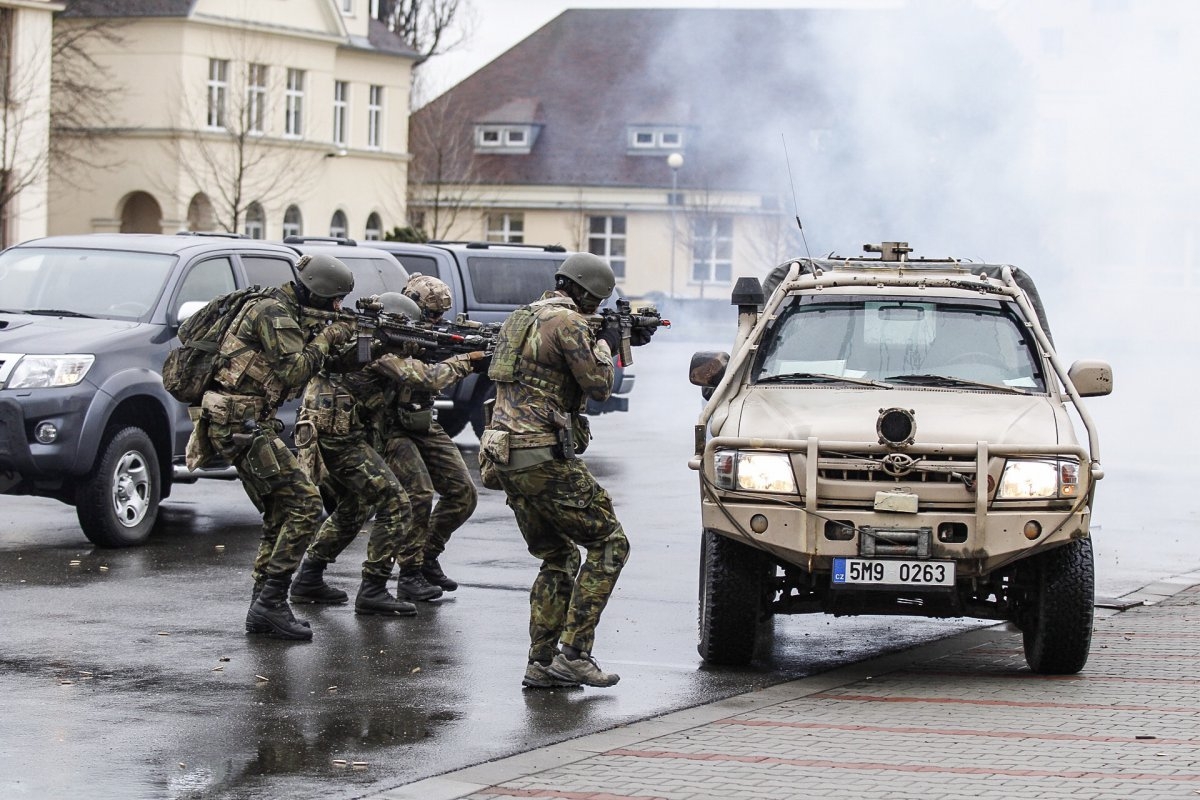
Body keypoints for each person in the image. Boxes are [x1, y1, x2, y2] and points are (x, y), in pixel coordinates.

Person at [481, 252, 654, 689]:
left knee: (557, 556)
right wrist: (608, 346)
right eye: (595, 301)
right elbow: (598, 387)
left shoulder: (521, 317)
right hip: (542, 456)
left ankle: (540, 663)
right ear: (583, 292)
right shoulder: (571, 324)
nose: (595, 309)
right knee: (611, 544)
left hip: (505, 456)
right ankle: (575, 654)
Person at [290, 291, 490, 610]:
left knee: (354, 507)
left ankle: (309, 576)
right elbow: (426, 377)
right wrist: (470, 359)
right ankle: (373, 587)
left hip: (345, 433)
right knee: (396, 500)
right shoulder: (373, 348)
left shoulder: (371, 342)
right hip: (339, 436)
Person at [193, 253, 356, 641]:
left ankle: (263, 605)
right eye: (334, 301)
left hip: (244, 421)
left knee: (280, 510)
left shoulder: (284, 308)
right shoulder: (274, 313)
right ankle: (271, 601)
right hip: (239, 423)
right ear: (315, 293)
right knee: (305, 503)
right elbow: (295, 370)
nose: (337, 308)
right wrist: (330, 336)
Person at [382, 274, 480, 598]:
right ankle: (408, 575)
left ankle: (427, 557)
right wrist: (465, 360)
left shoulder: (427, 335)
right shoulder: (389, 333)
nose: (437, 321)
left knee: (463, 492)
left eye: (441, 315)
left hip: (421, 420)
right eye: (431, 314)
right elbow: (427, 378)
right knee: (420, 494)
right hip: (389, 425)